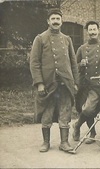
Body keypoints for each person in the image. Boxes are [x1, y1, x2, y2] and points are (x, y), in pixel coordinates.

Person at [30, 8, 79, 153]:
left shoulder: (67, 39)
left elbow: (73, 62)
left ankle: (64, 142)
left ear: (61, 21)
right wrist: (39, 83)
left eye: (58, 19)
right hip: (47, 84)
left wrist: (75, 82)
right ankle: (46, 142)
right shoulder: (40, 38)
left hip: (65, 84)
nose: (56, 21)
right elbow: (34, 63)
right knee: (47, 113)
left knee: (65, 112)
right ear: (48, 21)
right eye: (53, 19)